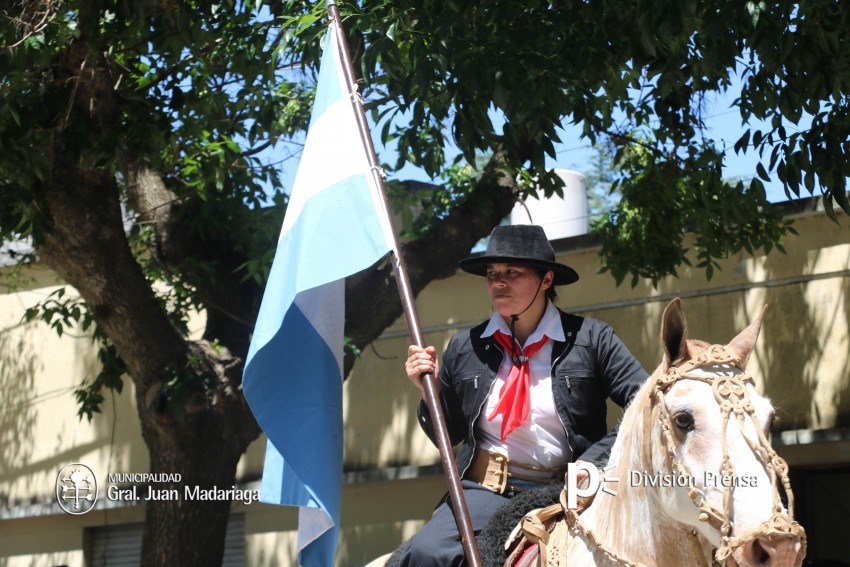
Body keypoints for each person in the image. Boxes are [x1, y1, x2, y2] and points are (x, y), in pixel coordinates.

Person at [401, 224, 648, 566]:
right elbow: (449, 433)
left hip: (571, 493)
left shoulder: (593, 339)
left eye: (512, 272)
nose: (498, 283)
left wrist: (594, 462)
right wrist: (429, 392)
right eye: (492, 274)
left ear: (547, 280)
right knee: (426, 553)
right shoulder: (465, 346)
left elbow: (646, 405)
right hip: (484, 491)